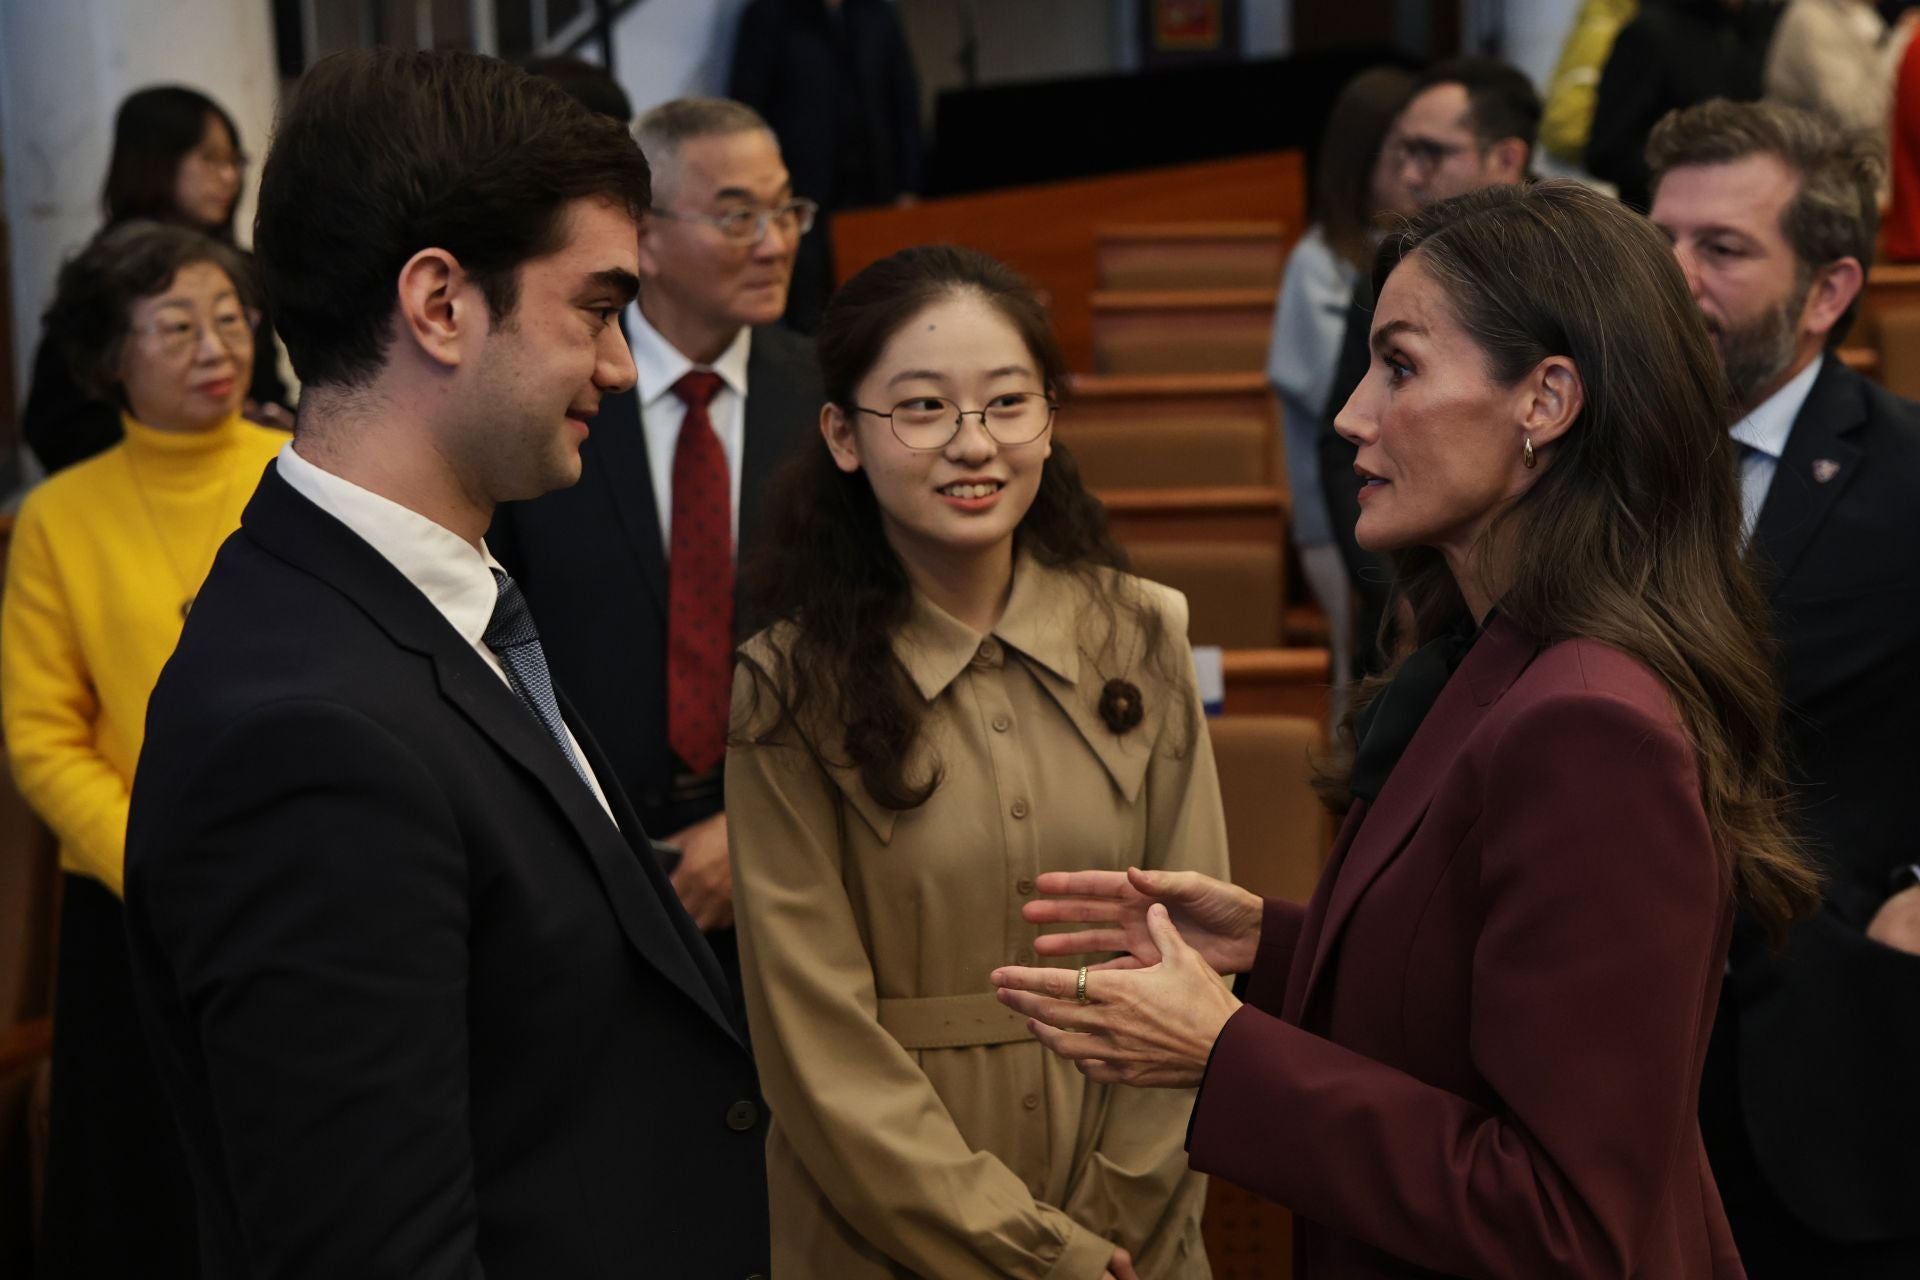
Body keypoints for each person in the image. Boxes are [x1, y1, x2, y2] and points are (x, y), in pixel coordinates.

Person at [995, 180, 1822, 1278]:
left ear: (1546, 401)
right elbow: (1469, 990)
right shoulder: (1500, 654)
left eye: (1400, 366)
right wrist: (1270, 945)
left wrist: (1222, 1051)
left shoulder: (1589, 724)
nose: (1350, 414)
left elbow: (1563, 1224)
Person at [120, 50, 768, 1278]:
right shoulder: (305, 736)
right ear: (440, 305)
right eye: (595, 308)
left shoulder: (430, 601)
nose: (621, 365)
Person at [727, 244, 1227, 1279]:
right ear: (844, 436)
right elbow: (815, 1041)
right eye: (923, 408)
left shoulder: (1146, 634)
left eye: (1008, 403)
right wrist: (1036, 1254)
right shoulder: (787, 685)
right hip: (887, 1229)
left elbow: (1196, 971)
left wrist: (1112, 1228)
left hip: (1137, 1234)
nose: (974, 444)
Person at [1647, 97, 1920, 1278]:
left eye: (1721, 248)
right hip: (1597, 1057)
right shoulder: (1564, 461)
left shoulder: (1909, 475)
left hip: (1826, 1071)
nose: (1672, 277)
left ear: (1827, 290)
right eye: (1659, 237)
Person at [2, 220, 286, 1280]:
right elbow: (42, 737)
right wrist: (156, 861)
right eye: (177, 327)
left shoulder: (304, 472)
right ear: (109, 355)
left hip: (302, 879)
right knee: (146, 1199)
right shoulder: (57, 517)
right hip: (133, 909)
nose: (217, 347)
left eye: (230, 319)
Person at [491, 96, 821, 991]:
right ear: (646, 236)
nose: (776, 242)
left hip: (795, 867)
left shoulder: (831, 400)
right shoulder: (549, 394)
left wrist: (756, 827)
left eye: (787, 209)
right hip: (577, 863)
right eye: (737, 216)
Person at [1319, 56, 1538, 678]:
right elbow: (1337, 452)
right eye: (1403, 152)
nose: (1408, 175)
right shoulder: (1397, 268)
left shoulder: (1583, 279)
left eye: (1432, 153)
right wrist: (1394, 588)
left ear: (1507, 158)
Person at [21, 85, 291, 474]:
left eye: (235, 161)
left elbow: (268, 392)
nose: (229, 177)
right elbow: (55, 425)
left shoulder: (241, 270)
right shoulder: (105, 278)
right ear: (154, 161)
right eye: (211, 159)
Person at [1267, 66, 1417, 719]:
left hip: (1400, 491)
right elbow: (1339, 405)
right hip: (1335, 511)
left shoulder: (1411, 249)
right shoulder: (1318, 263)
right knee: (1361, 665)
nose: (1414, 172)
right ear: (1362, 158)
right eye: (1400, 153)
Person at [729, 0, 924, 331]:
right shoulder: (769, 15)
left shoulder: (876, 12)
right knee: (811, 312)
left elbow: (904, 98)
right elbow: (749, 109)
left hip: (875, 189)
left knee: (884, 304)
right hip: (802, 198)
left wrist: (909, 184)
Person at [1587, 0, 1781, 211]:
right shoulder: (1651, 33)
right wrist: (1694, 171)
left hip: (1730, 211)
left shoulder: (1754, 30)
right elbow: (1607, 153)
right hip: (1656, 217)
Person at [1765, 0, 1916, 141]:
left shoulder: (1859, 12)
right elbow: (1857, 118)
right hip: (1806, 151)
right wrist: (1902, 44)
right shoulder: (1813, 20)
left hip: (1847, 150)